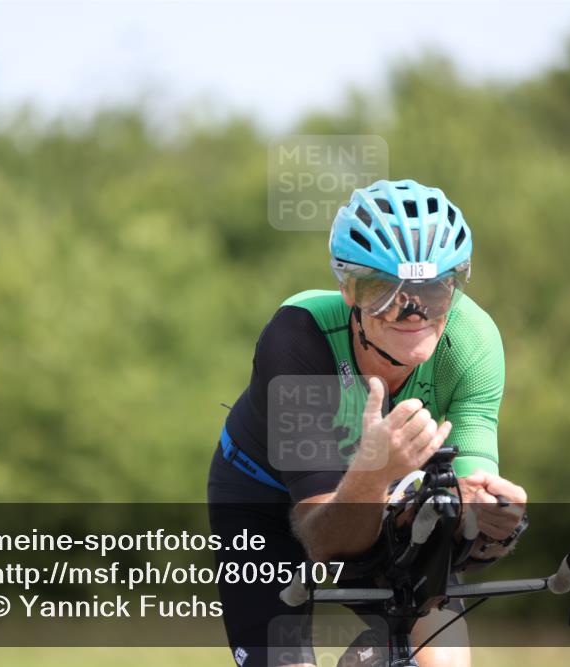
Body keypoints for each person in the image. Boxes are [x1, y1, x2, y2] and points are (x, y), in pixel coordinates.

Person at [208, 179, 527, 667]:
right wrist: (377, 472)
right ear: (349, 291)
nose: (413, 311)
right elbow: (323, 538)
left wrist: (492, 523)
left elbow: (459, 528)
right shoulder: (297, 337)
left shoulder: (473, 344)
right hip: (263, 498)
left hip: (380, 489)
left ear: (455, 285)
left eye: (435, 290)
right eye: (385, 291)